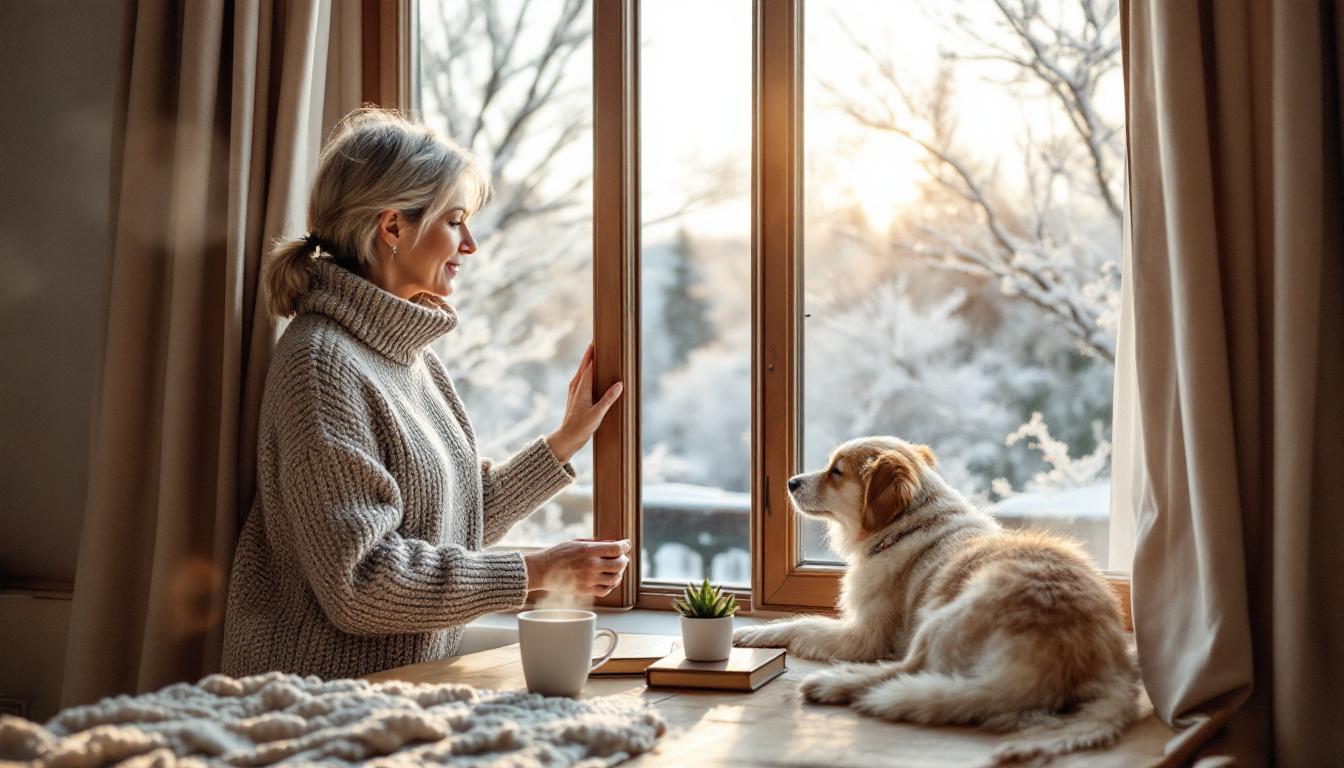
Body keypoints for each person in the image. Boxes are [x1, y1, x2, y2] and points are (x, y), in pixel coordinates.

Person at [221, 107, 628, 679]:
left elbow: (453, 521)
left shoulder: (415, 358)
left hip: (398, 693)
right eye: (456, 221)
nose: (471, 245)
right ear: (392, 227)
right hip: (319, 704)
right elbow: (360, 582)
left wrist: (563, 442)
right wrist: (534, 570)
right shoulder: (322, 364)